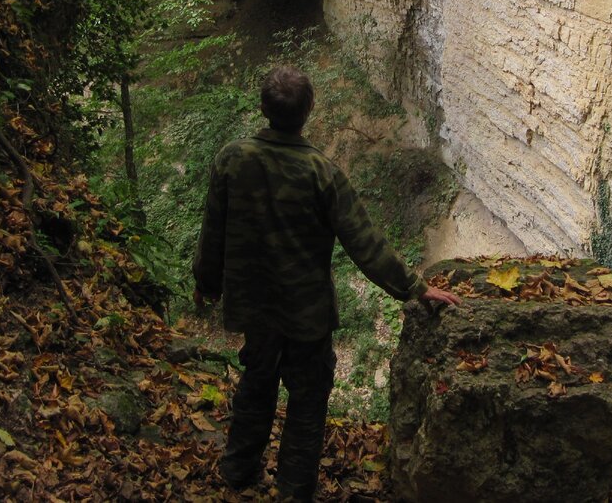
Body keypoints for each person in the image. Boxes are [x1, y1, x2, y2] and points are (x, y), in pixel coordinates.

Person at [192, 64, 460, 501]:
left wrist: (206, 281)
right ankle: (294, 490)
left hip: (254, 305)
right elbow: (365, 242)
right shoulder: (321, 173)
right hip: (306, 312)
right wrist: (415, 287)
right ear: (308, 111)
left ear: (263, 108)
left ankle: (237, 469)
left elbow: (213, 230)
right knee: (308, 399)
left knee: (256, 380)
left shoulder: (232, 159)